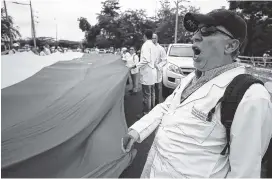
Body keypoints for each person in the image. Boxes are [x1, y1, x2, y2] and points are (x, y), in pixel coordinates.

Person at [121, 9, 272, 178]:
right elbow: (167, 106)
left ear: (230, 46)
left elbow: (245, 173)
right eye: (196, 31)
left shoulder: (250, 96)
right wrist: (137, 130)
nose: (195, 37)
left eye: (207, 31)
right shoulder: (191, 77)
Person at [134, 30, 157, 117]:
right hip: (152, 71)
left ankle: (146, 113)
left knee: (147, 94)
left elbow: (146, 59)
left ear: (145, 36)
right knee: (152, 93)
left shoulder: (146, 45)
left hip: (147, 72)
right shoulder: (154, 45)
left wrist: (137, 65)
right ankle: (151, 111)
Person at [152, 33, 167, 105]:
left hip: (157, 71)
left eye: (154, 38)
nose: (153, 39)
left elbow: (164, 60)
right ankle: (150, 106)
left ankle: (156, 103)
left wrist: (157, 66)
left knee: (157, 88)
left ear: (157, 39)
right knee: (149, 89)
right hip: (149, 72)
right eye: (152, 38)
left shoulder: (161, 49)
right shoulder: (149, 48)